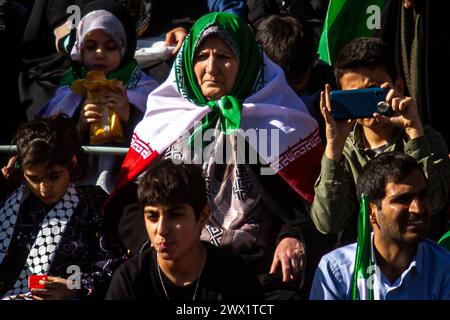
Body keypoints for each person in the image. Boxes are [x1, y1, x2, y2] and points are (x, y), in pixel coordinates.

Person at [106, 12, 324, 298]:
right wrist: (156, 247)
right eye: (202, 56)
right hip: (173, 268)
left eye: (224, 56)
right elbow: (130, 203)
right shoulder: (166, 118)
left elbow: (307, 204)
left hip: (257, 272)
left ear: (246, 61)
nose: (211, 68)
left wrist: (292, 235)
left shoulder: (281, 119)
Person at [310, 37, 450, 244]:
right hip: (369, 261)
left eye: (375, 90)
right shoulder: (345, 150)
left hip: (423, 251)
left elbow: (434, 202)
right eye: (356, 96)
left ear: (398, 87)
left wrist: (414, 133)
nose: (368, 102)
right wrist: (333, 148)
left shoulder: (425, 138)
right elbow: (328, 222)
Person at [34, 0, 159, 193]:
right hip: (72, 188)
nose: (99, 54)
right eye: (91, 46)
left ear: (126, 48)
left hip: (128, 186)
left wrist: (130, 115)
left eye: (110, 47)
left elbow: (162, 136)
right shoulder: (70, 87)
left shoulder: (145, 88)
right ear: (79, 48)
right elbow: (49, 142)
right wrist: (79, 125)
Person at [0, 114, 123, 300]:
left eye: (54, 176)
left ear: (72, 163)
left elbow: (114, 267)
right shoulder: (10, 197)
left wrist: (74, 287)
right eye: (34, 178)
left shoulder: (96, 204)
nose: (44, 188)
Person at [106, 159, 263, 300]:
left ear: (202, 217)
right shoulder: (129, 279)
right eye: (152, 217)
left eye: (175, 216)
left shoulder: (236, 277)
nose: (161, 229)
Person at [310, 152, 450, 300]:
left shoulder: (444, 268)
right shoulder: (336, 270)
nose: (418, 208)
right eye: (403, 199)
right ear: (371, 211)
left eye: (422, 196)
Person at [255, 14, 336, 143]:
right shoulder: (247, 99)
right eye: (276, 84)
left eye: (295, 84)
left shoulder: (330, 90)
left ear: (315, 60)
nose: (288, 95)